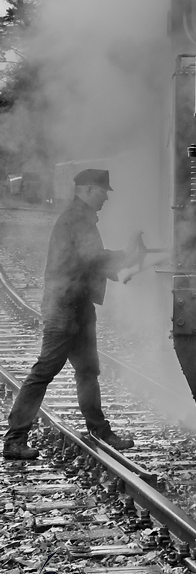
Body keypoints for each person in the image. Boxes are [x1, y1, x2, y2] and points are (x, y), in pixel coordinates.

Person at [3, 168, 141, 460]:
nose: (106, 197)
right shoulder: (76, 218)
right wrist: (126, 255)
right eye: (103, 191)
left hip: (78, 305)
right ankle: (14, 440)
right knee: (44, 372)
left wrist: (124, 263)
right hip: (63, 307)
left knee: (88, 370)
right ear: (88, 189)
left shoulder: (81, 217)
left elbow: (87, 262)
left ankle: (99, 430)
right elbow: (92, 258)